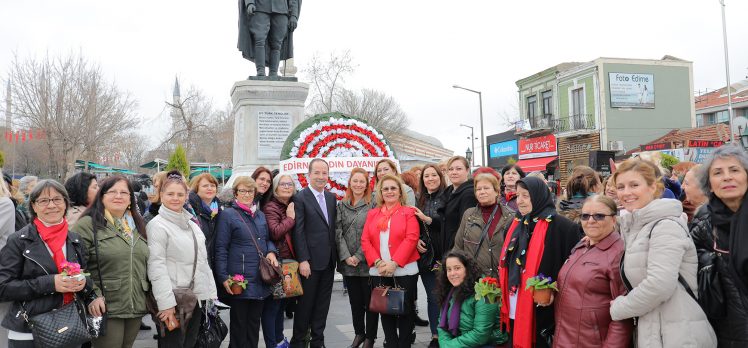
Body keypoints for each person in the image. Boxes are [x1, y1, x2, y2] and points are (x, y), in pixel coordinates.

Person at [609, 158, 716, 347]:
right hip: (658, 331)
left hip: (680, 335)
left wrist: (619, 307)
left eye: (634, 185)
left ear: (653, 187)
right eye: (621, 186)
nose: (626, 192)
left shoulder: (665, 225)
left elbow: (659, 285)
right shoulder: (637, 226)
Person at [0, 179, 97, 348]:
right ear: (34, 206)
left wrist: (84, 283)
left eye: (57, 199)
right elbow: (3, 287)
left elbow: (86, 275)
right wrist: (51, 283)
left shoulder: (75, 240)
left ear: (66, 204)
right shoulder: (18, 241)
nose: (51, 205)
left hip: (70, 326)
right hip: (29, 331)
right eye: (44, 201)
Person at [498, 177, 581, 348]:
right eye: (517, 195)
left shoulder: (563, 227)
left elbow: (573, 269)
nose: (519, 201)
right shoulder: (514, 225)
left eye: (525, 196)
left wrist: (552, 288)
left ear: (539, 196)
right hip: (515, 303)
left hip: (544, 308)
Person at [72, 175, 150, 348]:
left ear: (131, 198)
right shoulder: (87, 225)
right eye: (112, 191)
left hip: (135, 304)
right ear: (102, 196)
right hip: (104, 305)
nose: (118, 196)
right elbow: (74, 266)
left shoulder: (138, 225)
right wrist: (92, 295)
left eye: (124, 192)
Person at [147, 171, 218, 347]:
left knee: (190, 344)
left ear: (186, 196)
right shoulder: (156, 226)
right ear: (161, 195)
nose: (175, 198)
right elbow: (157, 268)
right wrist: (166, 305)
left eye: (180, 194)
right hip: (173, 301)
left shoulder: (193, 225)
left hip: (195, 299)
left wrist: (210, 295)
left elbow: (203, 263)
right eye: (170, 194)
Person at [553, 195, 633, 347]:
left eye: (599, 216)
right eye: (585, 216)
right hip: (564, 339)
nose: (590, 221)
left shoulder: (618, 253)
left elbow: (624, 316)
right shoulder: (582, 246)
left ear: (614, 219)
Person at [690, 145, 748, 346]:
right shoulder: (704, 225)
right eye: (718, 172)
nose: (727, 177)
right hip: (728, 333)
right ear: (710, 185)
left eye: (734, 170)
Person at [215, 176, 280, 348]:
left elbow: (267, 239)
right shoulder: (228, 215)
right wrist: (223, 277)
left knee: (253, 325)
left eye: (250, 191)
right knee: (239, 326)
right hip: (239, 280)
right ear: (235, 193)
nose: (246, 194)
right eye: (242, 191)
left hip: (259, 278)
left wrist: (272, 251)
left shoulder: (260, 215)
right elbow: (221, 248)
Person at [361, 174, 420, 348]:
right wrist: (379, 263)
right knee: (385, 310)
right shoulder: (372, 214)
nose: (389, 191)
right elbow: (365, 240)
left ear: (400, 191)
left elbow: (411, 238)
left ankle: (404, 344)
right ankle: (391, 344)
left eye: (393, 188)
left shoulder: (409, 212)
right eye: (385, 188)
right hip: (380, 270)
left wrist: (394, 263)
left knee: (406, 311)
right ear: (380, 192)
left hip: (404, 270)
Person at [290, 159, 337, 348]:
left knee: (322, 306)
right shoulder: (300, 198)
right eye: (316, 173)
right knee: (305, 306)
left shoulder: (332, 197)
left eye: (324, 173)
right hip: (309, 263)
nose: (321, 176)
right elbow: (298, 231)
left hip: (328, 262)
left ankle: (318, 341)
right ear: (309, 174)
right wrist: (303, 260)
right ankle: (299, 341)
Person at [335, 168, 376, 348]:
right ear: (350, 183)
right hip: (349, 265)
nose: (358, 184)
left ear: (367, 184)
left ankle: (370, 337)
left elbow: (374, 232)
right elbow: (338, 232)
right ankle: (359, 333)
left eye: (362, 181)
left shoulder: (373, 203)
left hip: (368, 262)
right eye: (355, 181)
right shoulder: (342, 205)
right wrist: (346, 256)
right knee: (355, 303)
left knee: (370, 304)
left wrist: (359, 255)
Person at [436, 250, 504, 348]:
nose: (452, 273)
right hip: (461, 341)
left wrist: (448, 346)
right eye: (449, 269)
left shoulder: (487, 290)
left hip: (488, 343)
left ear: (468, 269)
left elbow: (481, 334)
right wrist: (445, 344)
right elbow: (441, 323)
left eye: (457, 268)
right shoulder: (451, 289)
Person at [453, 172, 513, 277]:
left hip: (503, 279)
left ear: (496, 191)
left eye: (486, 188)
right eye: (478, 189)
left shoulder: (510, 216)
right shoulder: (469, 215)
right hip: (475, 280)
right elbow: (458, 247)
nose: (482, 192)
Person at [414, 164, 447, 347]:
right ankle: (435, 336)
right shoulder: (420, 199)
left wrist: (428, 220)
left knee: (446, 296)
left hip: (444, 254)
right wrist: (416, 240)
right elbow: (413, 226)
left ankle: (448, 333)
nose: (430, 178)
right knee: (433, 295)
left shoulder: (448, 196)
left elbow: (448, 223)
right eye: (427, 176)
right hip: (426, 256)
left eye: (434, 175)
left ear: (440, 177)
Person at [263, 173, 298, 347]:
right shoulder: (271, 207)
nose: (286, 187)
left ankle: (279, 339)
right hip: (279, 263)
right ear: (276, 188)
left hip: (290, 263)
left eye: (290, 184)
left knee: (282, 306)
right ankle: (273, 343)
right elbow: (275, 232)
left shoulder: (289, 205)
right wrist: (290, 218)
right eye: (283, 184)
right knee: (273, 308)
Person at [237, 0, 300, 77]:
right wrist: (250, 3)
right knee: (259, 39)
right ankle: (261, 71)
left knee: (277, 44)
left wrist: (294, 15)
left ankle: (273, 73)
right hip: (259, 7)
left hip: (282, 9)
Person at [441, 156, 477, 254]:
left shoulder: (469, 194)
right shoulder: (448, 193)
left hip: (458, 251)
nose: (454, 172)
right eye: (451, 169)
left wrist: (456, 251)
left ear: (467, 170)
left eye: (459, 169)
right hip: (447, 247)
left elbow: (466, 228)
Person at [188, 173, 222, 269]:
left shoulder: (220, 211)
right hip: (197, 265)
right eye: (205, 186)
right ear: (197, 188)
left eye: (212, 185)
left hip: (216, 264)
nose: (210, 188)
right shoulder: (190, 211)